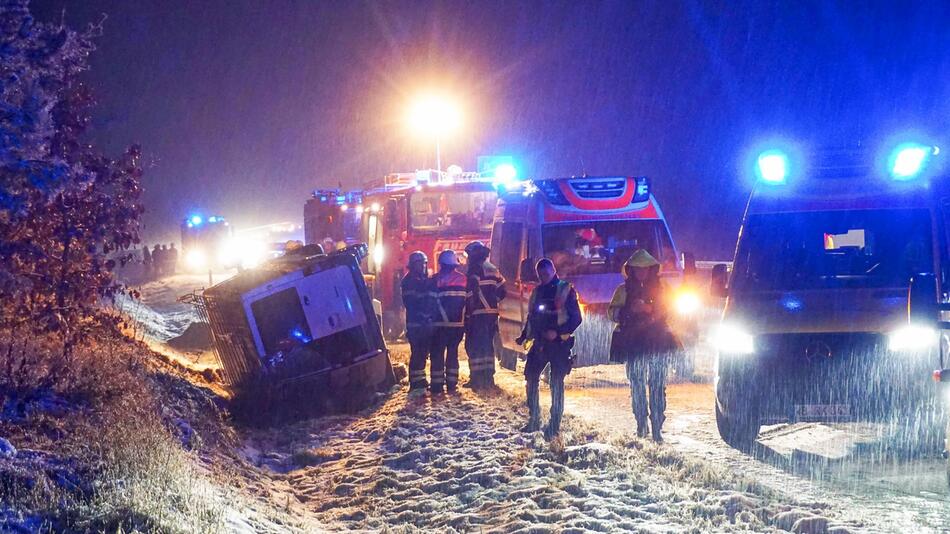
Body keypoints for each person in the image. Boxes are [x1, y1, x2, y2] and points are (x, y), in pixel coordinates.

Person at [607, 249, 679, 442]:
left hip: (657, 341)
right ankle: (641, 424)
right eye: (637, 269)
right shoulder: (623, 290)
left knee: (657, 385)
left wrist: (649, 310)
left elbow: (671, 310)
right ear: (631, 270)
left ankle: (657, 426)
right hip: (633, 343)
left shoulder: (663, 289)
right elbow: (611, 313)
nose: (641, 272)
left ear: (651, 269)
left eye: (645, 268)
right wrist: (628, 311)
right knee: (637, 385)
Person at [515, 258, 582, 440]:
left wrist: (559, 332)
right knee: (530, 376)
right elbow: (532, 317)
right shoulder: (537, 292)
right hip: (540, 342)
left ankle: (554, 424)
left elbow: (576, 318)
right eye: (540, 274)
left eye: (545, 273)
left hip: (559, 343)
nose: (543, 277)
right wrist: (524, 336)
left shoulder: (566, 289)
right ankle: (534, 418)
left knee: (556, 382)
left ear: (553, 271)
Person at [463, 241, 506, 390]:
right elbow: (503, 291)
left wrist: (469, 311)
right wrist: (493, 303)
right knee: (488, 346)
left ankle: (476, 378)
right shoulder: (492, 268)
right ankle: (488, 378)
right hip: (491, 315)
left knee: (474, 346)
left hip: (477, 314)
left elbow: (471, 291)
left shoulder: (474, 269)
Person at [429, 250, 467, 394]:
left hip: (439, 325)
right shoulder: (464, 279)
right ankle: (452, 384)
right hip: (457, 325)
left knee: (437, 353)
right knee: (453, 353)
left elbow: (430, 302)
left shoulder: (435, 280)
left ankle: (437, 385)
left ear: (441, 264)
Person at [401, 251, 435, 394]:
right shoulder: (409, 281)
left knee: (423, 352)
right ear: (413, 265)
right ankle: (415, 382)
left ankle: (420, 380)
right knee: (417, 352)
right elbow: (411, 303)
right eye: (420, 263)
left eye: (424, 263)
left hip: (424, 322)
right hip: (415, 323)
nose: (422, 266)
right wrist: (423, 314)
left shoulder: (422, 279)